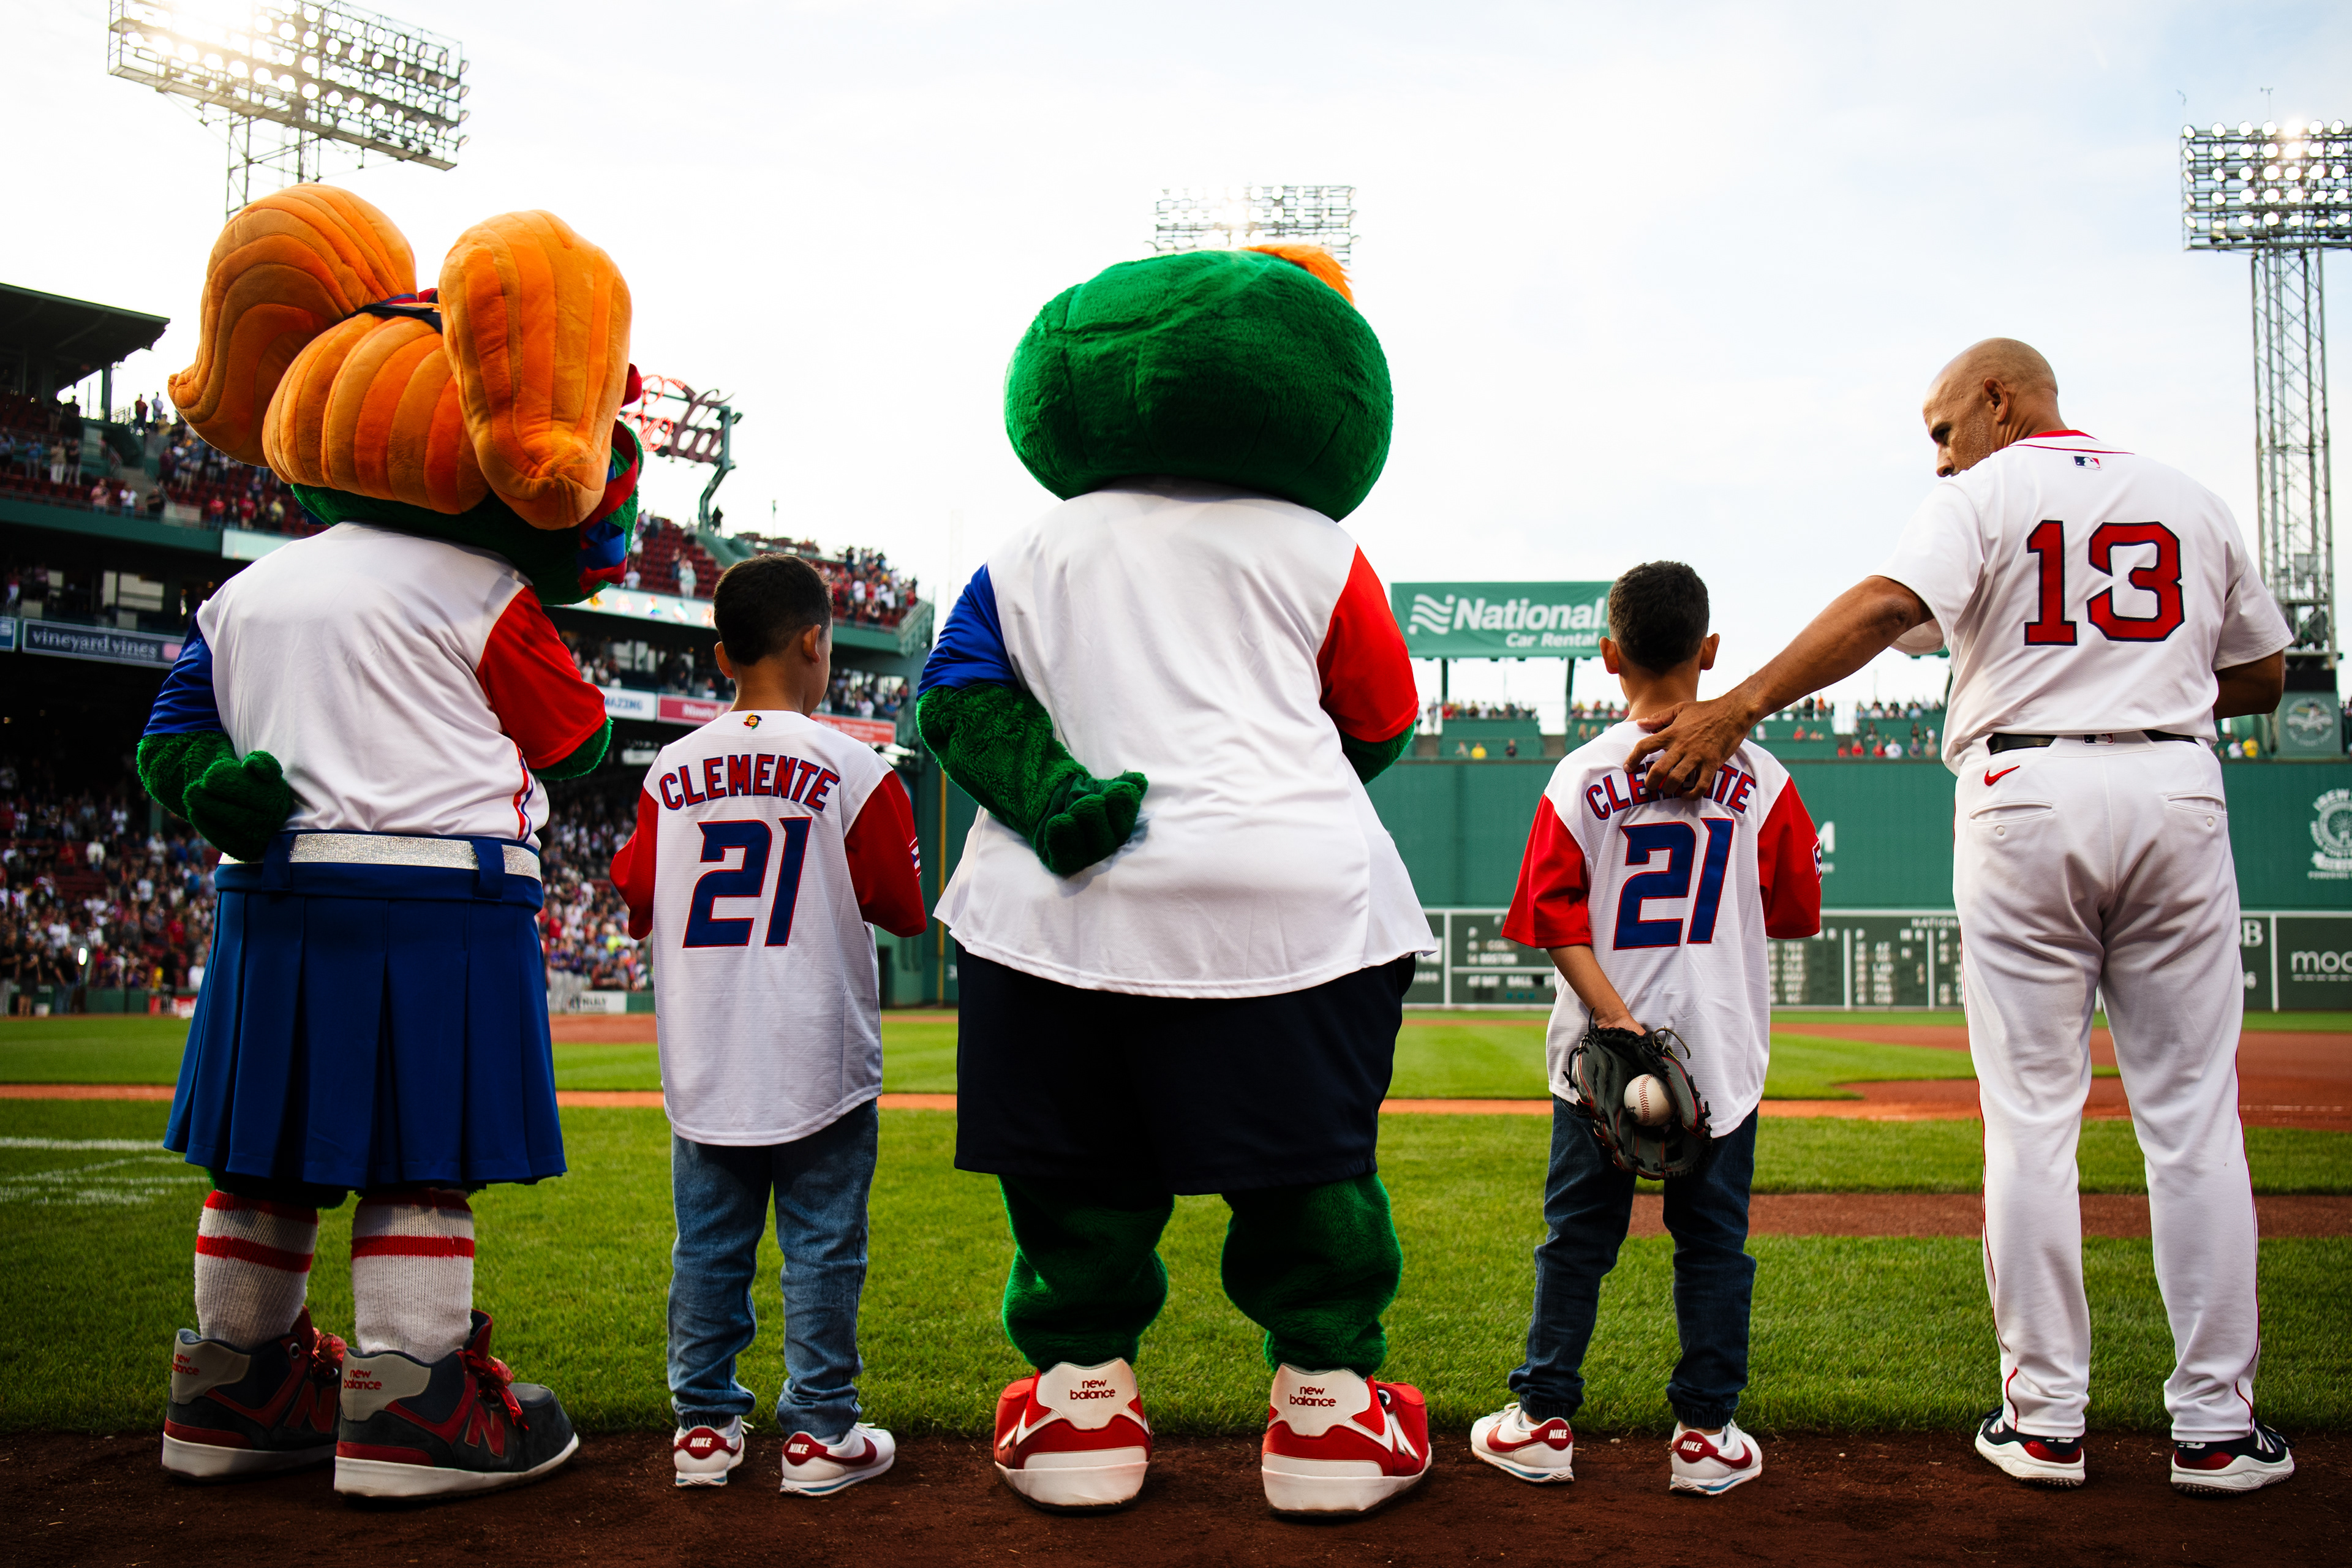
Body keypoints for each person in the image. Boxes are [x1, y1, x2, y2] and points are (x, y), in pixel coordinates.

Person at [1629, 338, 2294, 1495]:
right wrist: (2147, 688)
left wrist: (1735, 706)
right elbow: (2267, 675)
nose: (1940, 459)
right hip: (2175, 784)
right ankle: (2217, 1431)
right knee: (2193, 1119)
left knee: (2033, 1115)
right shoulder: (2189, 495)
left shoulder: (1987, 494)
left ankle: (2044, 1423)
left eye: (1942, 430)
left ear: (1999, 402)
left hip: (2025, 793)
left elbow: (1890, 606)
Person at [1469, 562, 1819, 1496]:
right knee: (1714, 1247)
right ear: (1710, 652)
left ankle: (1542, 1420)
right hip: (1721, 1059)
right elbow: (1791, 913)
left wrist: (1618, 1020)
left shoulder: (1581, 774)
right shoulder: (1768, 779)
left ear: (1607, 655)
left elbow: (1554, 921)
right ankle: (1705, 1436)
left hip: (1597, 1064)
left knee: (1576, 1240)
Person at [611, 554, 927, 1496]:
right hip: (816, 1048)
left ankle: (704, 1431)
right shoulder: (855, 765)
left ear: (720, 655)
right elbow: (905, 910)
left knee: (708, 1247)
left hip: (708, 1055)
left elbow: (633, 894)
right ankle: (820, 1433)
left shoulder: (669, 769)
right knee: (825, 1244)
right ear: (816, 643)